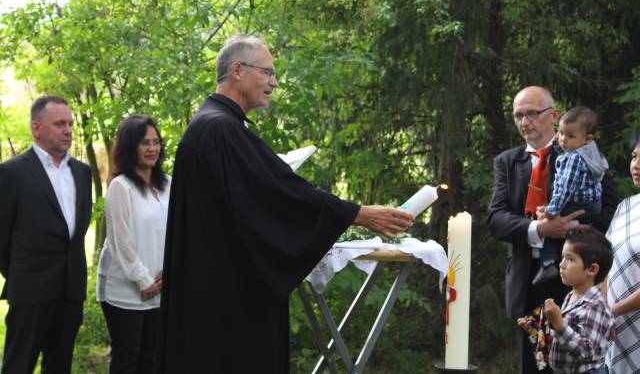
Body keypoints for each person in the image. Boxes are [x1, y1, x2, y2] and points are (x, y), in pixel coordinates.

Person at [156, 35, 414, 373]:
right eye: (267, 72)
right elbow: (277, 196)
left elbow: (267, 192)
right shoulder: (219, 130)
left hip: (214, 291)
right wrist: (358, 214)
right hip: (225, 302)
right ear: (237, 70)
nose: (274, 83)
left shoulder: (212, 125)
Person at [487, 86, 619, 374]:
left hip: (576, 284)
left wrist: (576, 231)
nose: (525, 122)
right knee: (532, 365)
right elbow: (496, 219)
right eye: (518, 116)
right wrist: (540, 229)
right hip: (528, 281)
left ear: (554, 115)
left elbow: (610, 208)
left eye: (532, 113)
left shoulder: (582, 153)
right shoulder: (507, 162)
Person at [0, 95, 93, 373]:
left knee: (59, 366)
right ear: (36, 128)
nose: (67, 130)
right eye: (59, 124)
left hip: (70, 292)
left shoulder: (82, 172)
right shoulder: (12, 172)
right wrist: (21, 275)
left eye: (70, 124)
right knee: (19, 365)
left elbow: (76, 233)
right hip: (30, 293)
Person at [96, 115, 170, 373]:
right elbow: (120, 241)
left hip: (160, 287)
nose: (152, 148)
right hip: (125, 290)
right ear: (130, 146)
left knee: (151, 359)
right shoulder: (120, 187)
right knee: (128, 359)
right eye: (144, 143)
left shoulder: (168, 184)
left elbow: (174, 232)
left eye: (156, 142)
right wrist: (143, 280)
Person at [517, 228, 613, 374]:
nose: (561, 264)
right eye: (562, 257)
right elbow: (564, 338)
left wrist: (559, 324)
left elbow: (586, 352)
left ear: (592, 269)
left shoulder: (596, 306)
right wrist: (535, 328)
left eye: (570, 259)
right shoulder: (571, 296)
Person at [533, 106, 609, 285]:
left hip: (578, 203)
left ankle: (547, 263)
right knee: (574, 234)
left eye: (570, 136)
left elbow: (565, 189)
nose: (563, 140)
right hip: (592, 204)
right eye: (560, 133)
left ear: (587, 139)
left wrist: (551, 211)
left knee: (549, 225)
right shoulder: (591, 152)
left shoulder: (574, 158)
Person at [605, 132, 640, 374]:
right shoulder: (625, 206)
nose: (636, 165)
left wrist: (611, 311)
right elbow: (605, 262)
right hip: (615, 327)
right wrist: (603, 311)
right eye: (634, 156)